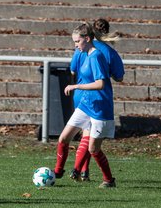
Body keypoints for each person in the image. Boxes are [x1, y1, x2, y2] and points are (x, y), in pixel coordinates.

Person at [53, 22, 117, 188]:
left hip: (100, 108)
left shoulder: (96, 56)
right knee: (64, 138)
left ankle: (109, 180)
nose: (75, 45)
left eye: (77, 42)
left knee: (93, 150)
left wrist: (76, 86)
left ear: (87, 39)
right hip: (86, 104)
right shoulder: (85, 54)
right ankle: (58, 172)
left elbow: (100, 84)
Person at [69, 18, 125, 182]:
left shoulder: (82, 48)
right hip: (98, 98)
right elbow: (119, 77)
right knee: (90, 138)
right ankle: (80, 171)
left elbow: (73, 70)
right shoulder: (108, 52)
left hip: (80, 95)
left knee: (86, 135)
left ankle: (82, 171)